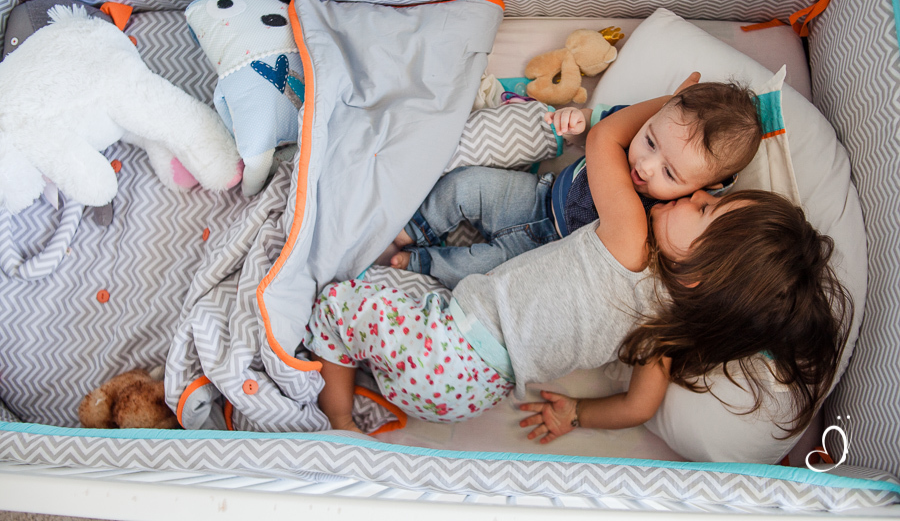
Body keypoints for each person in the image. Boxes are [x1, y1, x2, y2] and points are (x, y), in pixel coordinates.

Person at [305, 183, 849, 435]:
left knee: (337, 298)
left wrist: (666, 109)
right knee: (384, 298)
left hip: (445, 346)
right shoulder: (664, 337)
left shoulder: (630, 240)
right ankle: (362, 373)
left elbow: (608, 141)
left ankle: (339, 417)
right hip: (466, 394)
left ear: (704, 273)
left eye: (704, 204)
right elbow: (638, 409)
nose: (694, 191)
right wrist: (578, 415)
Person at [384, 75, 762, 289]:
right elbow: (603, 122)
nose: (646, 166)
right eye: (649, 140)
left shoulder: (664, 217)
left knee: (475, 273)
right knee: (466, 185)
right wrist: (579, 121)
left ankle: (419, 263)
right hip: (539, 197)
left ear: (701, 191)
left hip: (544, 256)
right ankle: (418, 225)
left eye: (669, 174)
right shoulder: (642, 132)